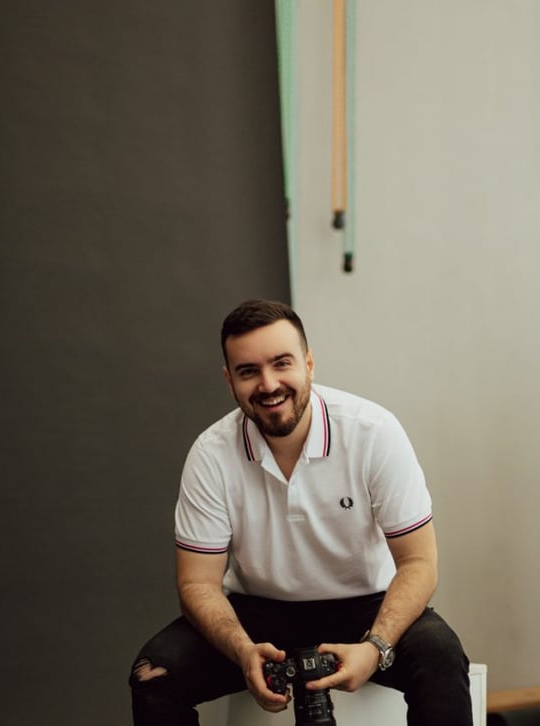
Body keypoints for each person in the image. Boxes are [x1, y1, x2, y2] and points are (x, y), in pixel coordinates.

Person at [129, 298, 472, 726]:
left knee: (441, 657)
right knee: (153, 675)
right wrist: (242, 650)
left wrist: (376, 647)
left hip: (365, 608)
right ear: (229, 380)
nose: (268, 384)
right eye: (248, 371)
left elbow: (419, 562)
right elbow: (197, 583)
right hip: (257, 614)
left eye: (282, 363)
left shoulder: (373, 432)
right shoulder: (211, 454)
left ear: (309, 363)